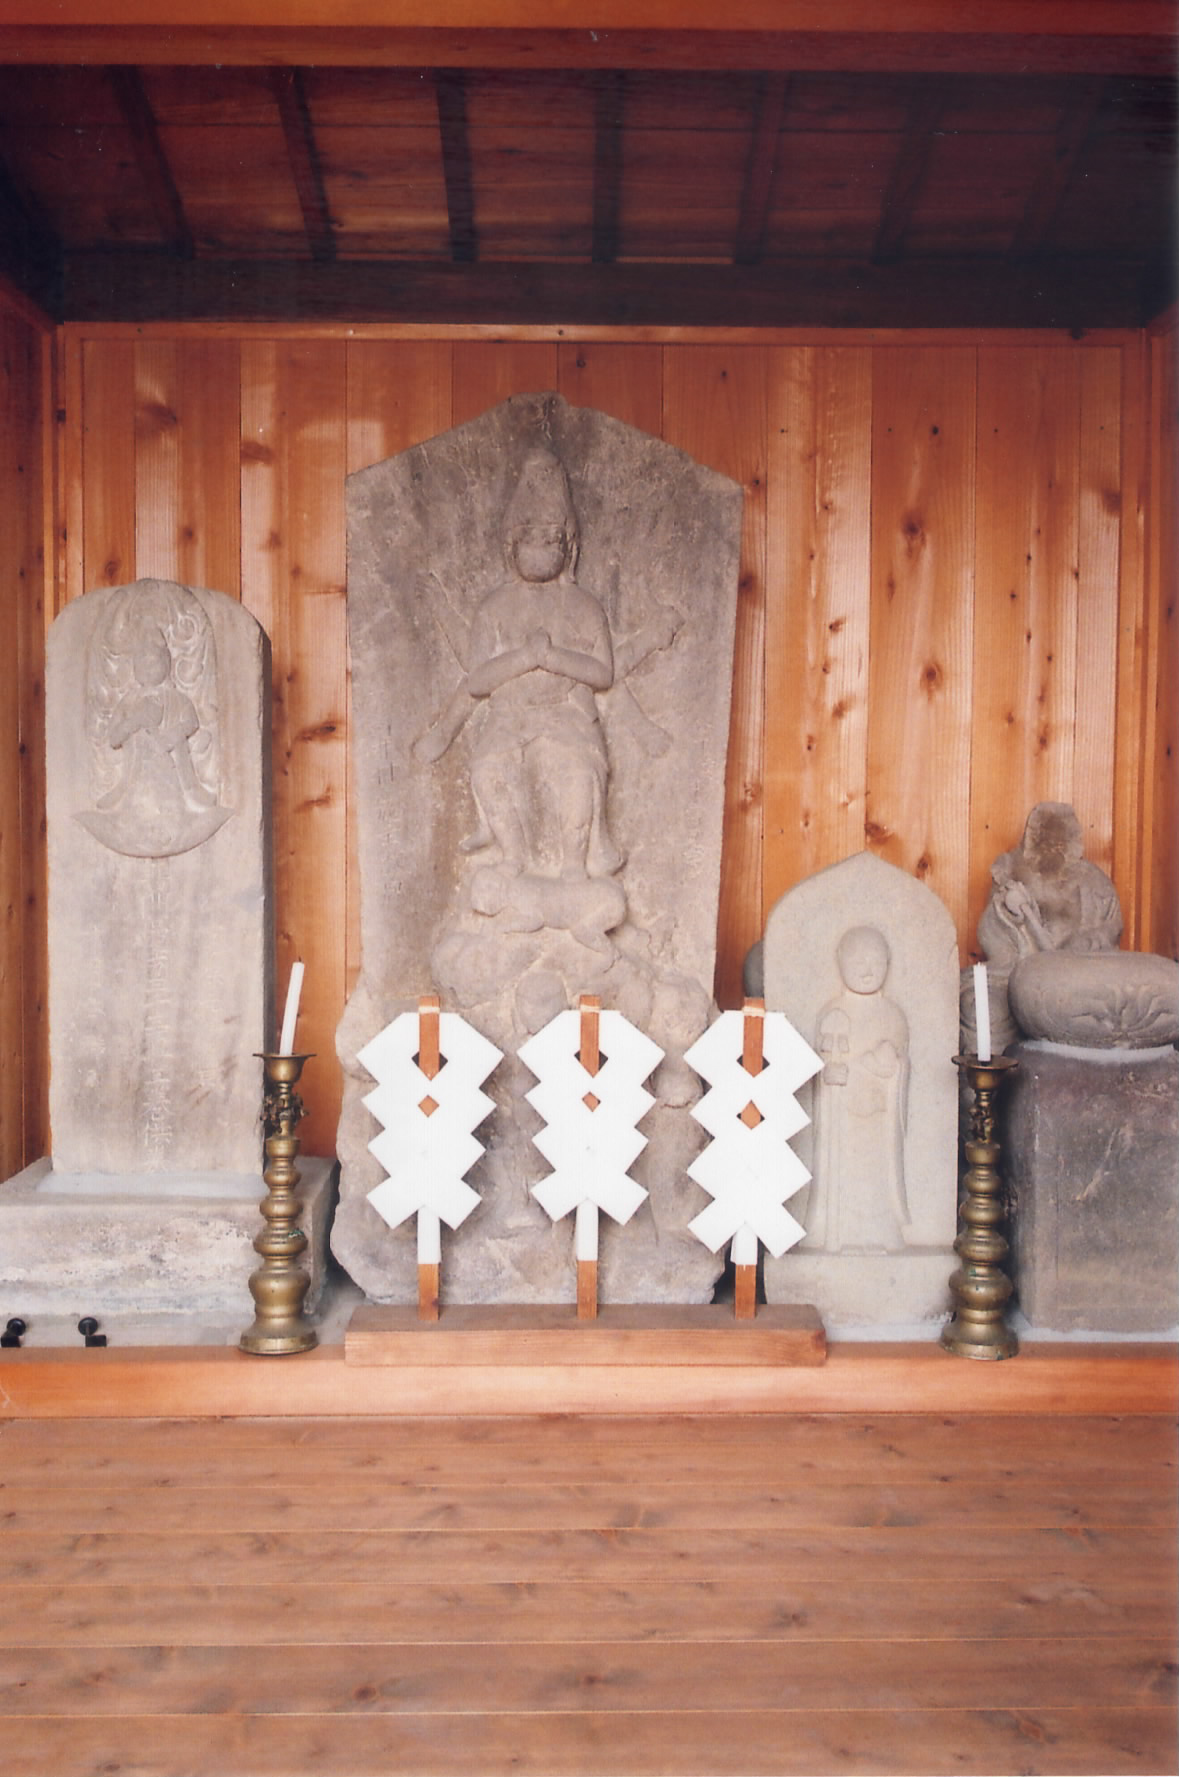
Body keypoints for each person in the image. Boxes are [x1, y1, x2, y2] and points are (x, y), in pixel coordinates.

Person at [414, 446, 622, 885]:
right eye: (530, 539)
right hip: (509, 716)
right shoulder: (494, 607)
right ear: (511, 546)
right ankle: (512, 857)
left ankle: (573, 864)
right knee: (489, 769)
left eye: (551, 540)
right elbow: (477, 680)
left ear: (569, 548)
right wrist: (526, 658)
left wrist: (554, 658)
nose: (540, 550)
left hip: (568, 715)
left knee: (579, 773)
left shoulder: (584, 606)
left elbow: (603, 673)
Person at [806, 925, 911, 1253]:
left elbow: (900, 1064)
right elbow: (819, 1063)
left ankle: (881, 1232)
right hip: (842, 1121)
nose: (867, 969)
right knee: (844, 1175)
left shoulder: (892, 1014)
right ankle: (835, 1233)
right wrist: (828, 1075)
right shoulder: (832, 1013)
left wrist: (892, 1068)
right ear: (840, 961)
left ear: (888, 962)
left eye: (876, 961)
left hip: (878, 1122)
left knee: (876, 1178)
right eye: (858, 960)